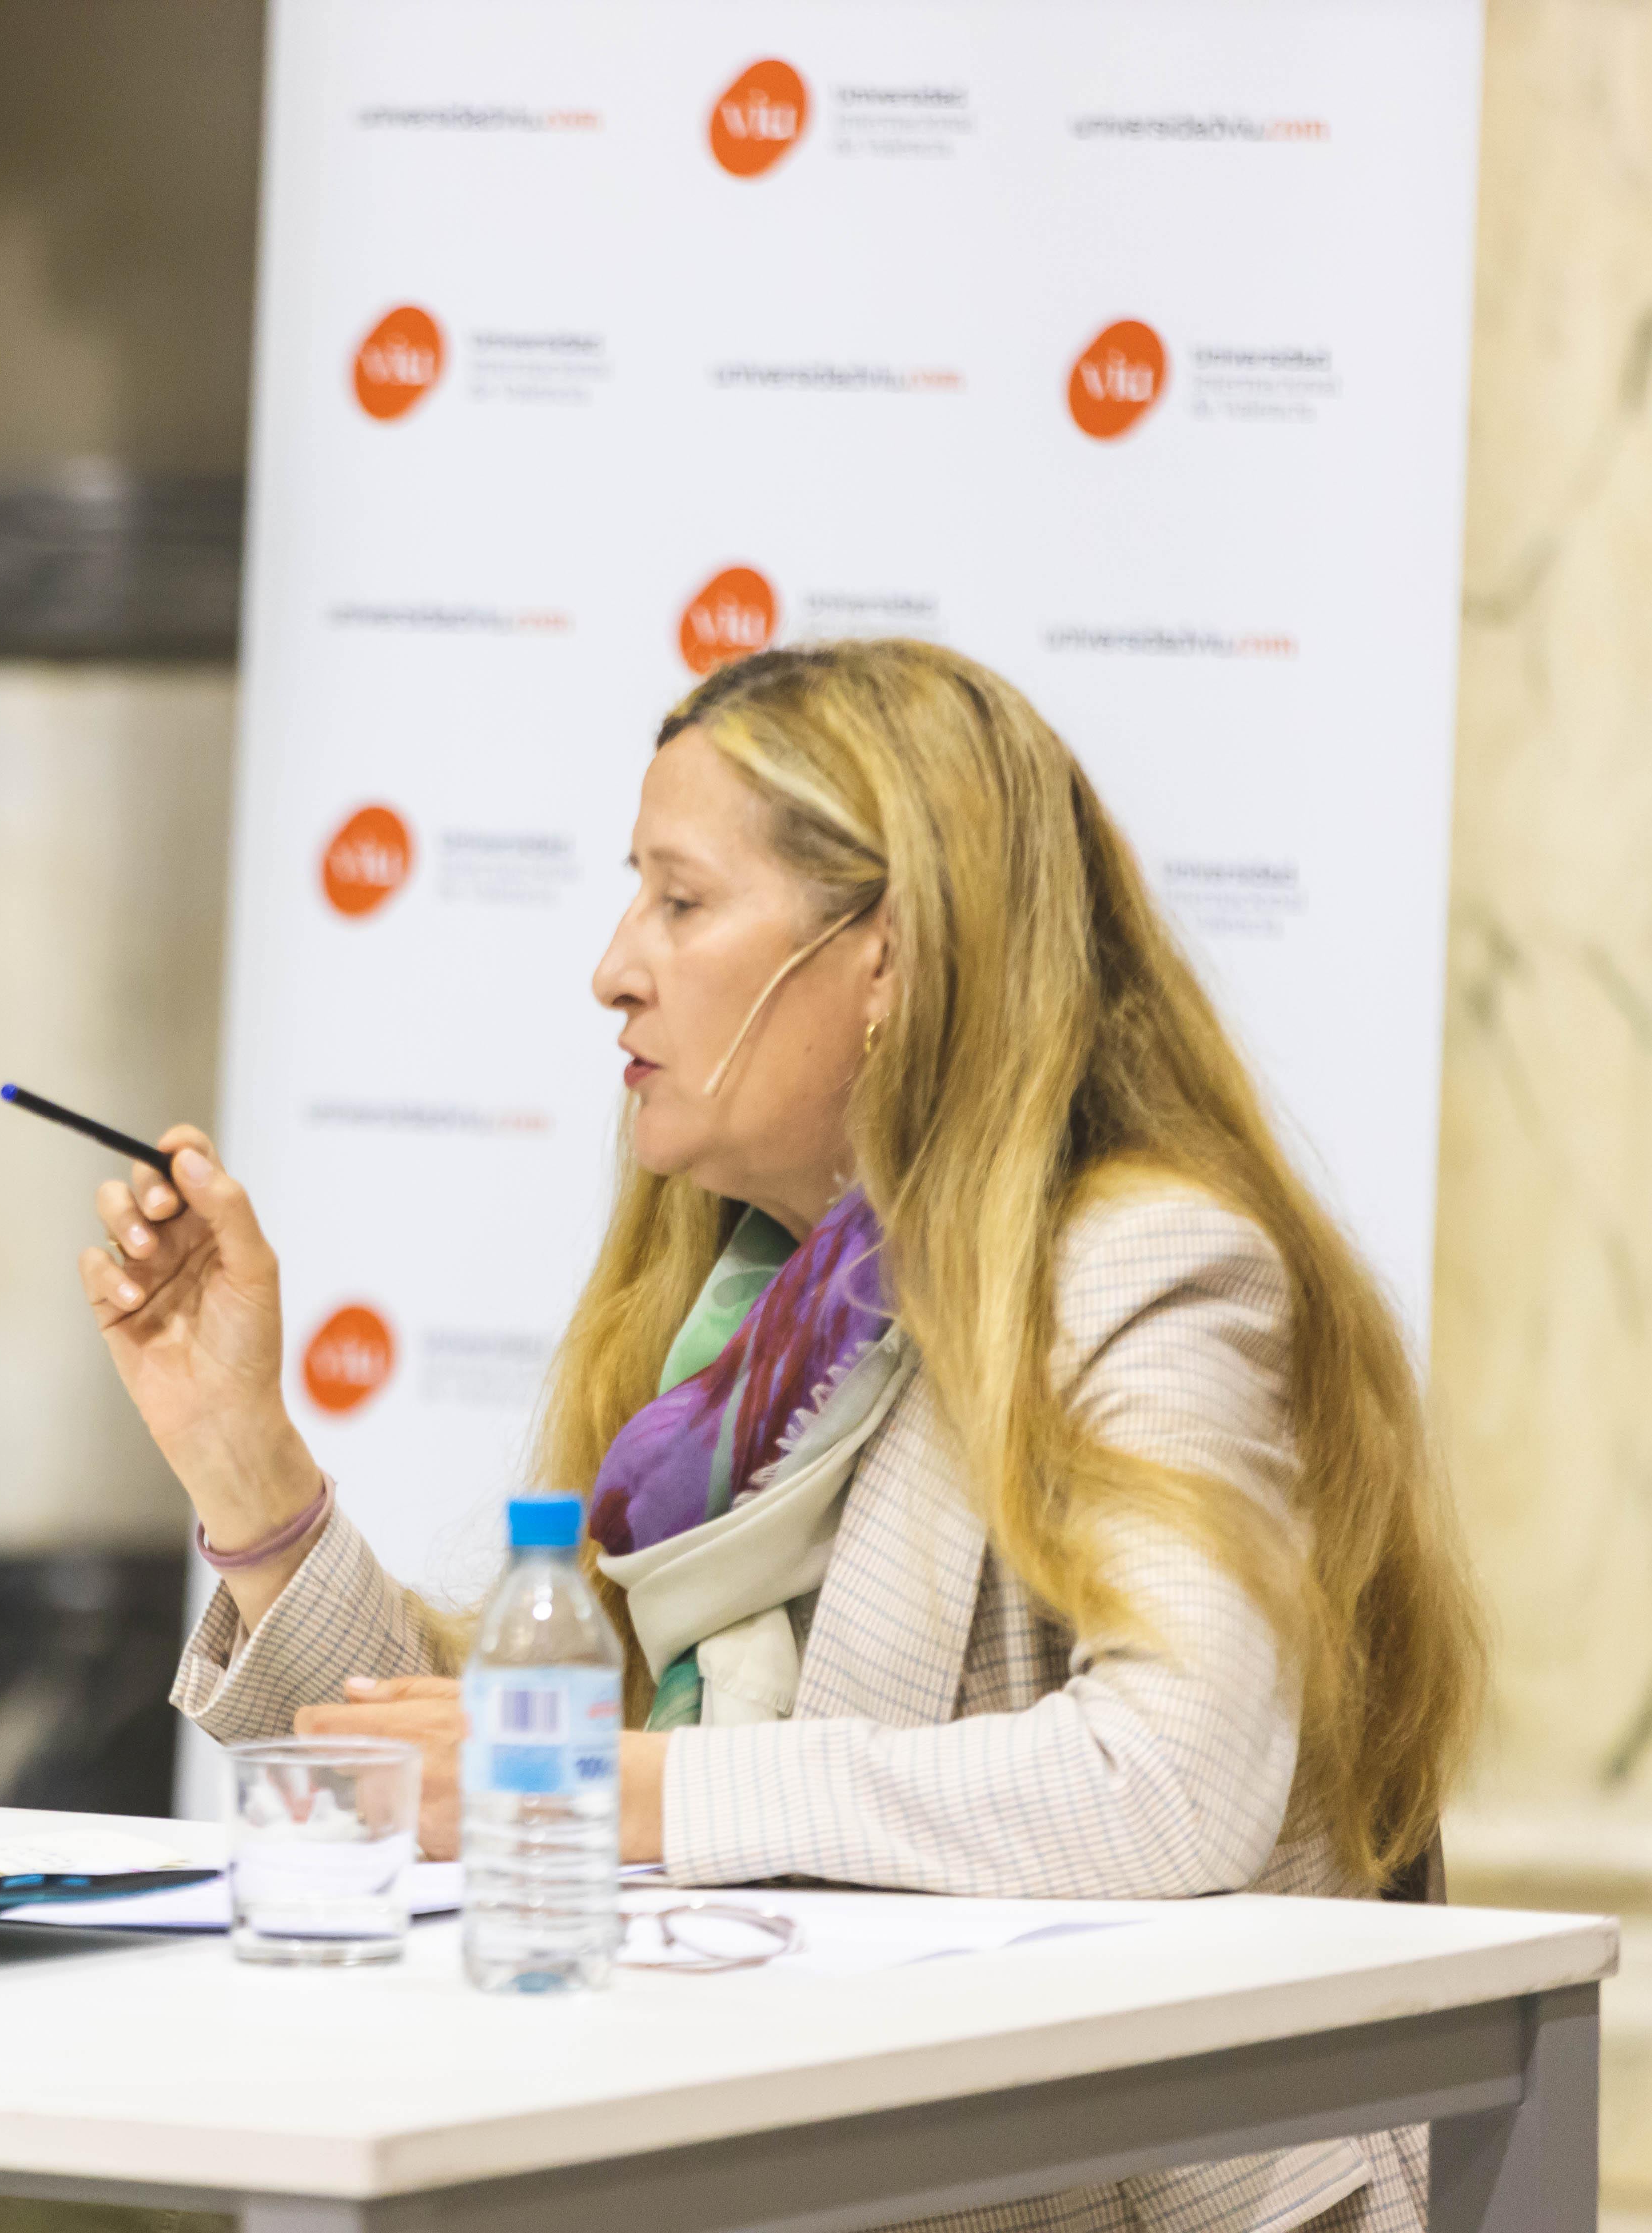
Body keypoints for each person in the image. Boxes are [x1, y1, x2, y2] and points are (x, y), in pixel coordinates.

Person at [73, 640, 1483, 2233]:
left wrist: (621, 1795)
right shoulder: (727, 1317)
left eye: (680, 902)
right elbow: (490, 1783)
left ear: (884, 955)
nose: (614, 966)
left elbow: (1174, 1778)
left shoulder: (1139, 1268)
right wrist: (242, 1453)